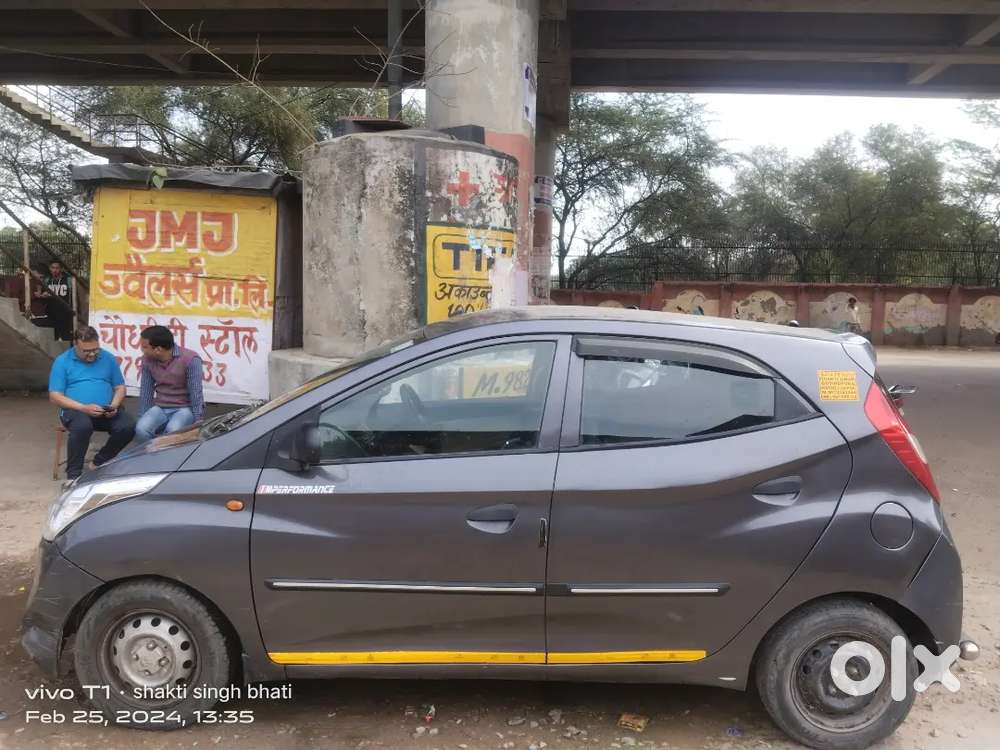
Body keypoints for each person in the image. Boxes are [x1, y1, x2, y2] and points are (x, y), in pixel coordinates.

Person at [48, 326, 135, 483]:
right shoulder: (62, 362)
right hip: (75, 410)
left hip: (105, 409)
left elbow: (120, 387)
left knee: (127, 426)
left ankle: (98, 462)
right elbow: (55, 396)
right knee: (82, 426)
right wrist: (83, 407)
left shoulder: (107, 358)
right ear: (75, 344)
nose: (92, 354)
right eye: (86, 351)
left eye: (95, 349)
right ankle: (73, 476)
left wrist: (114, 405)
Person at [135, 325, 204, 442]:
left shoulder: (191, 359)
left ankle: (170, 458)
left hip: (184, 408)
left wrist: (198, 420)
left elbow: (196, 392)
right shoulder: (147, 360)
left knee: (172, 432)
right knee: (141, 429)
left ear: (158, 350)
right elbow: (146, 391)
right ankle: (153, 457)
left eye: (144, 347)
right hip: (161, 407)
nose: (142, 350)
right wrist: (143, 416)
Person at [35, 260, 74, 341]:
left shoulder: (68, 279)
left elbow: (73, 295)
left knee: (66, 336)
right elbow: (42, 292)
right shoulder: (47, 280)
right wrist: (42, 295)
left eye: (57, 268)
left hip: (65, 313)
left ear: (61, 269)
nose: (55, 270)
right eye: (53, 268)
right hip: (51, 312)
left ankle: (67, 351)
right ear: (50, 268)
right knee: (53, 336)